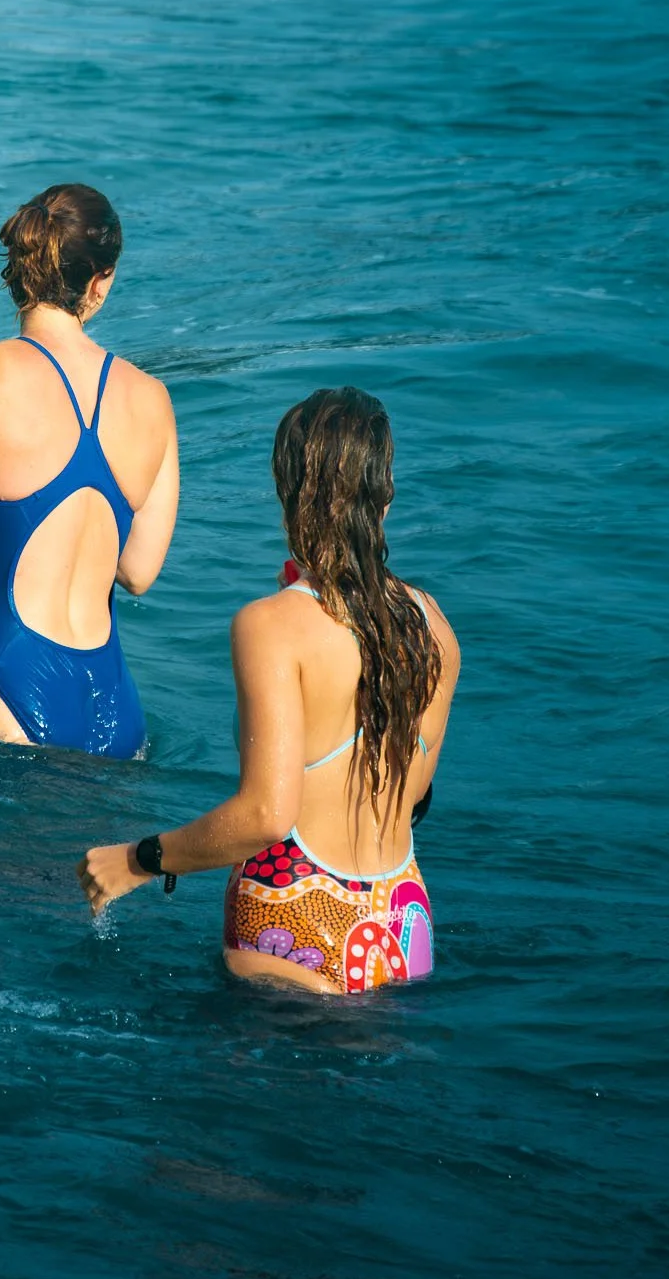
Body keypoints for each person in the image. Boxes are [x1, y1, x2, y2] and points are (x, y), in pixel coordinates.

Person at [76, 389, 459, 993]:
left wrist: (137, 861)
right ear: (384, 496)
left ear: (288, 495)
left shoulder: (272, 626)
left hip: (291, 925)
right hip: (400, 922)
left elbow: (266, 816)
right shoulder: (434, 625)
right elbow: (410, 799)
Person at [0, 183, 178, 758]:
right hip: (115, 709)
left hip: (2, 689)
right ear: (101, 280)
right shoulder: (152, 398)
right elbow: (139, 571)